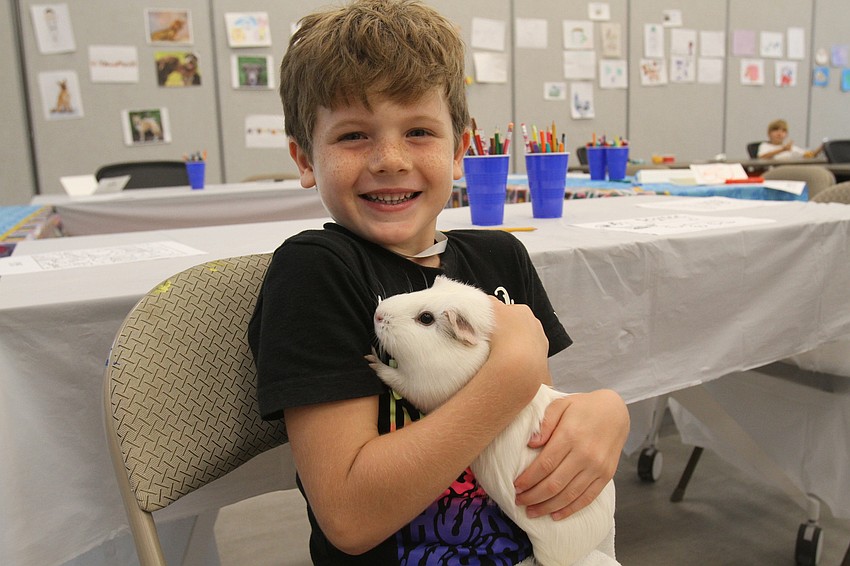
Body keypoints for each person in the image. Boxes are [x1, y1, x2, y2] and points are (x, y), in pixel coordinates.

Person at [248, 1, 630, 563]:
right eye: (353, 136)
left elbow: (535, 428)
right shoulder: (316, 271)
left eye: (419, 131)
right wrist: (509, 372)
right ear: (305, 158)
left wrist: (604, 413)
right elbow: (350, 518)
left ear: (459, 151)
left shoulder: (501, 257)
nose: (390, 159)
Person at [757, 119, 823, 160]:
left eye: (783, 131)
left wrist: (821, 148)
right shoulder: (765, 146)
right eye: (776, 130)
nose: (779, 134)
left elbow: (810, 155)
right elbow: (762, 157)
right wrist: (783, 150)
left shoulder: (790, 148)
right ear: (769, 133)